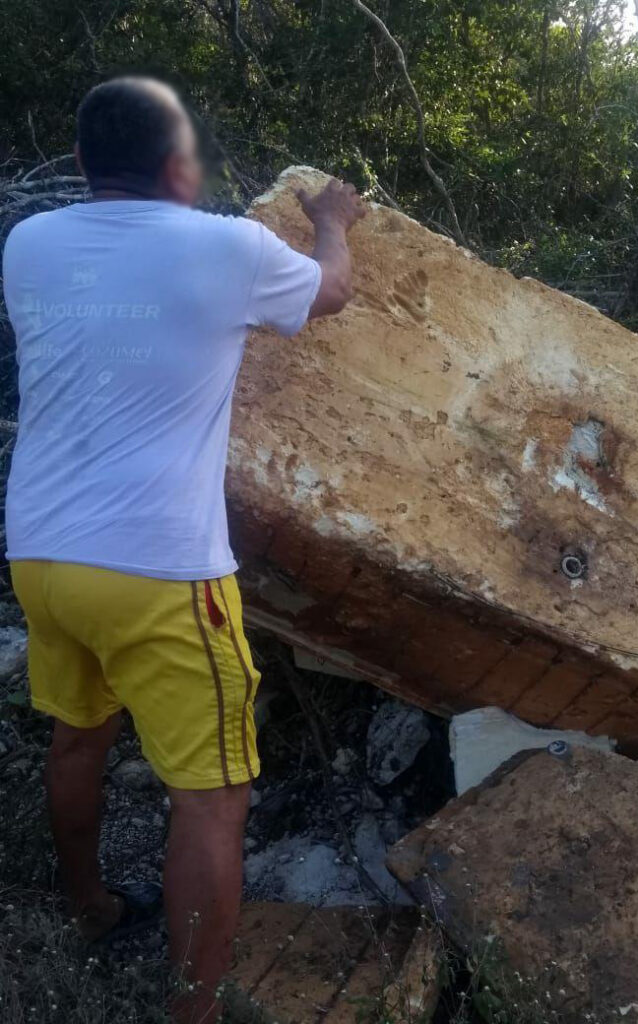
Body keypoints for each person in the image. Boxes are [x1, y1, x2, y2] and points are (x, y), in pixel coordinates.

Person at [1, 75, 365, 1022]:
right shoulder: (228, 249)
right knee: (214, 799)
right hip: (159, 568)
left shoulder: (28, 243)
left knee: (79, 733)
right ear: (179, 165)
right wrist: (331, 219)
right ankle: (194, 1013)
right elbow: (330, 292)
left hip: (41, 553)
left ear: (81, 162)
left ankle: (88, 906)